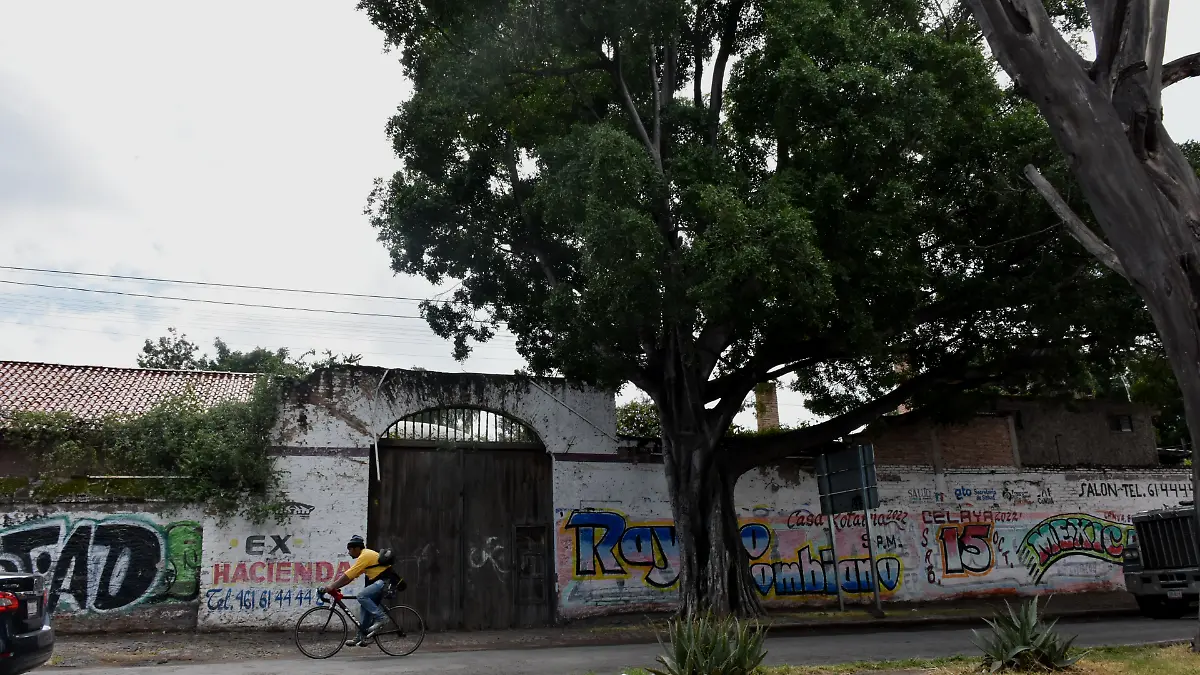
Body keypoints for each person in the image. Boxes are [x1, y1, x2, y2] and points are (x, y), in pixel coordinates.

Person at [321, 535, 399, 646]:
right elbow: (351, 577)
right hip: (380, 582)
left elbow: (349, 573)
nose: (349, 553)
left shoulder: (365, 555)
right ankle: (360, 637)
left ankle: (381, 618)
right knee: (365, 609)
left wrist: (332, 586)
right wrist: (337, 586)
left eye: (350, 550)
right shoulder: (364, 557)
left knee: (361, 596)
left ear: (357, 548)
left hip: (385, 581)